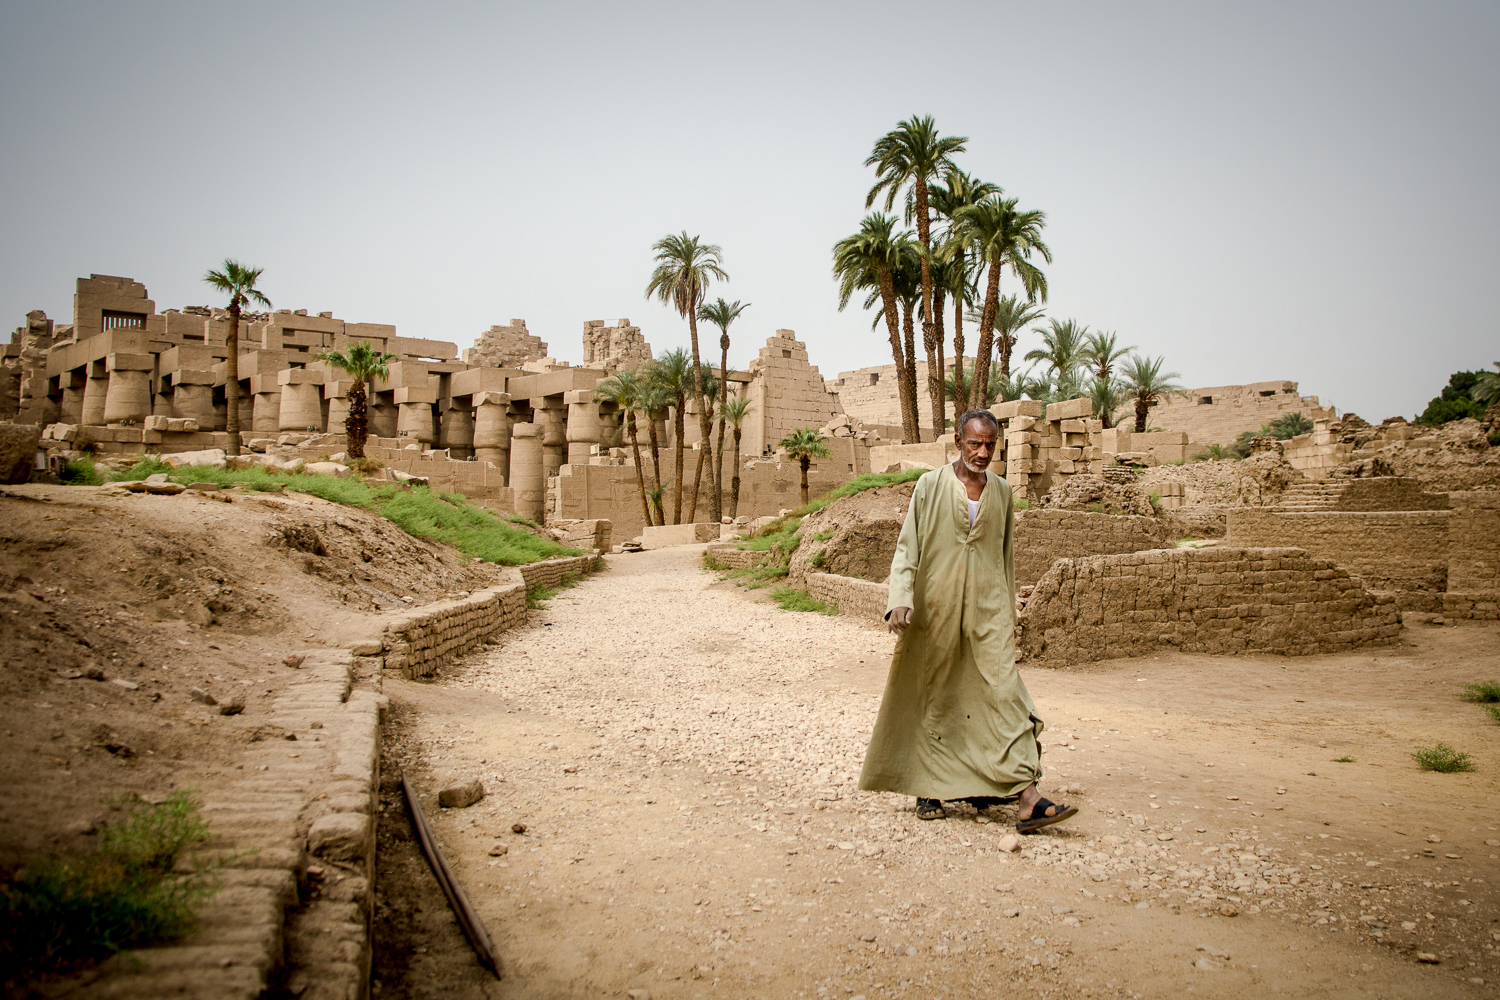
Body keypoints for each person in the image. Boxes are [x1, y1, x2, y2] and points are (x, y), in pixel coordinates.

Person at [858, 409, 1076, 832]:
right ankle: (929, 788)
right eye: (974, 443)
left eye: (990, 445)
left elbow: (1005, 556)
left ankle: (1027, 796)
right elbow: (908, 547)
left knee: (1004, 694)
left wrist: (1009, 611)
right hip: (936, 608)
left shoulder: (1003, 492)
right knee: (938, 696)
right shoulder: (930, 486)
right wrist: (900, 598)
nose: (982, 452)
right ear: (958, 441)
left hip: (988, 610)